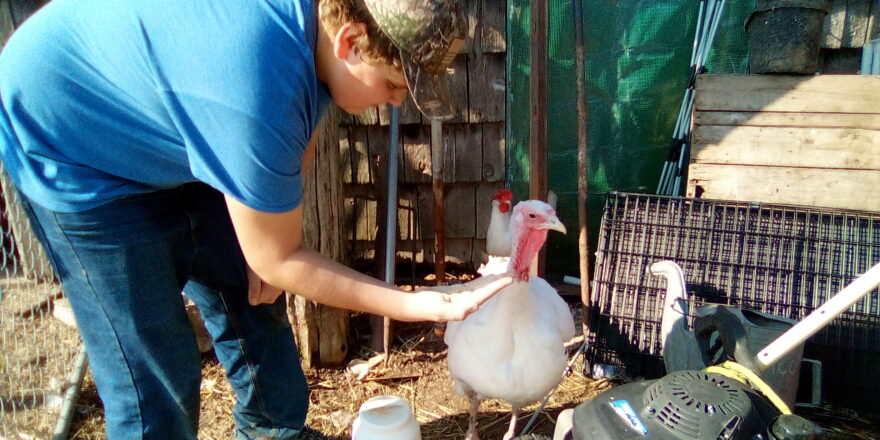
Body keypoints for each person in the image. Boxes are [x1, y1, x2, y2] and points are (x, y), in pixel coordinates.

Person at [0, 0, 513, 438]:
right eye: (394, 83)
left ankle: (275, 432)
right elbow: (280, 255)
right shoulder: (255, 87)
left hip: (177, 111)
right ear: (351, 43)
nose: (400, 101)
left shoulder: (319, 27)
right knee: (154, 368)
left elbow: (297, 135)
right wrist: (418, 304)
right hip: (71, 141)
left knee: (253, 297)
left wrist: (272, 255)